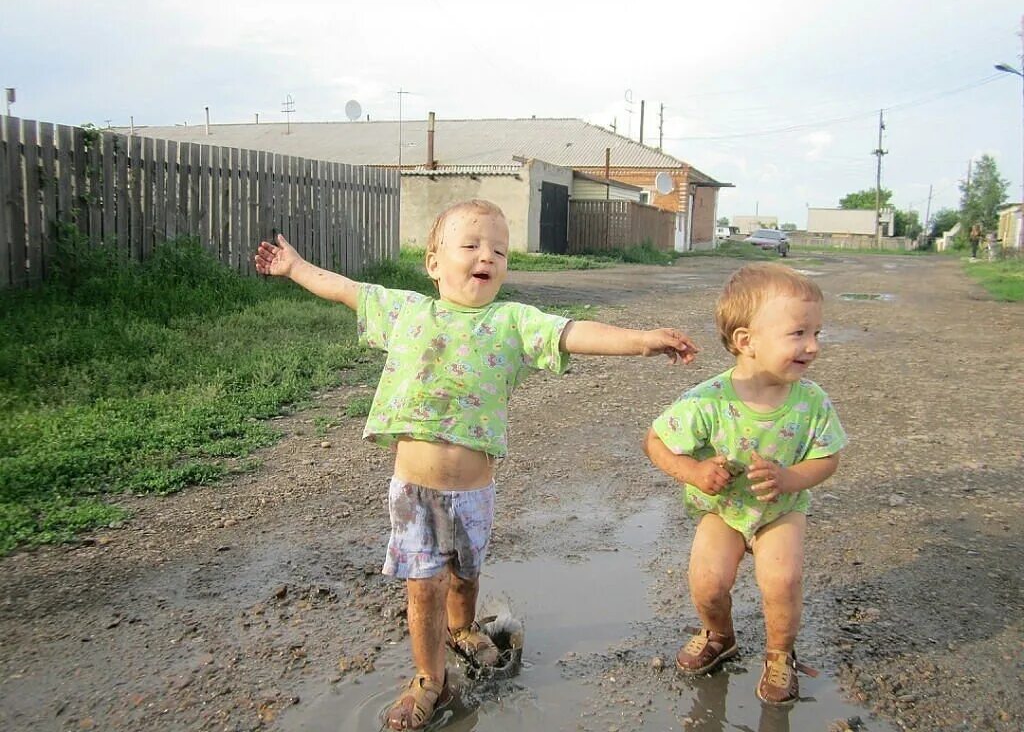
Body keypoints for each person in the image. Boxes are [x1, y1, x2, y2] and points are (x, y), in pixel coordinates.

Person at [254, 199, 698, 730]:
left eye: (499, 250)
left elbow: (573, 333)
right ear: (433, 261)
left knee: (464, 577)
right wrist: (296, 267)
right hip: (414, 491)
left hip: (474, 493)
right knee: (425, 585)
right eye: (470, 245)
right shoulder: (406, 312)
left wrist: (642, 341)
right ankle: (428, 679)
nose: (486, 255)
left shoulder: (512, 322)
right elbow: (347, 289)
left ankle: (462, 628)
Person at [642, 262, 847, 706]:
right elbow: (656, 442)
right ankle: (720, 635)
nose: (812, 346)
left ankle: (779, 655)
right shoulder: (707, 399)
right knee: (708, 581)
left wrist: (791, 478)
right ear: (745, 341)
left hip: (781, 509)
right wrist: (694, 473)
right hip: (725, 510)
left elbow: (828, 457)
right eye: (798, 334)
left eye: (818, 334)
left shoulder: (811, 402)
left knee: (782, 579)